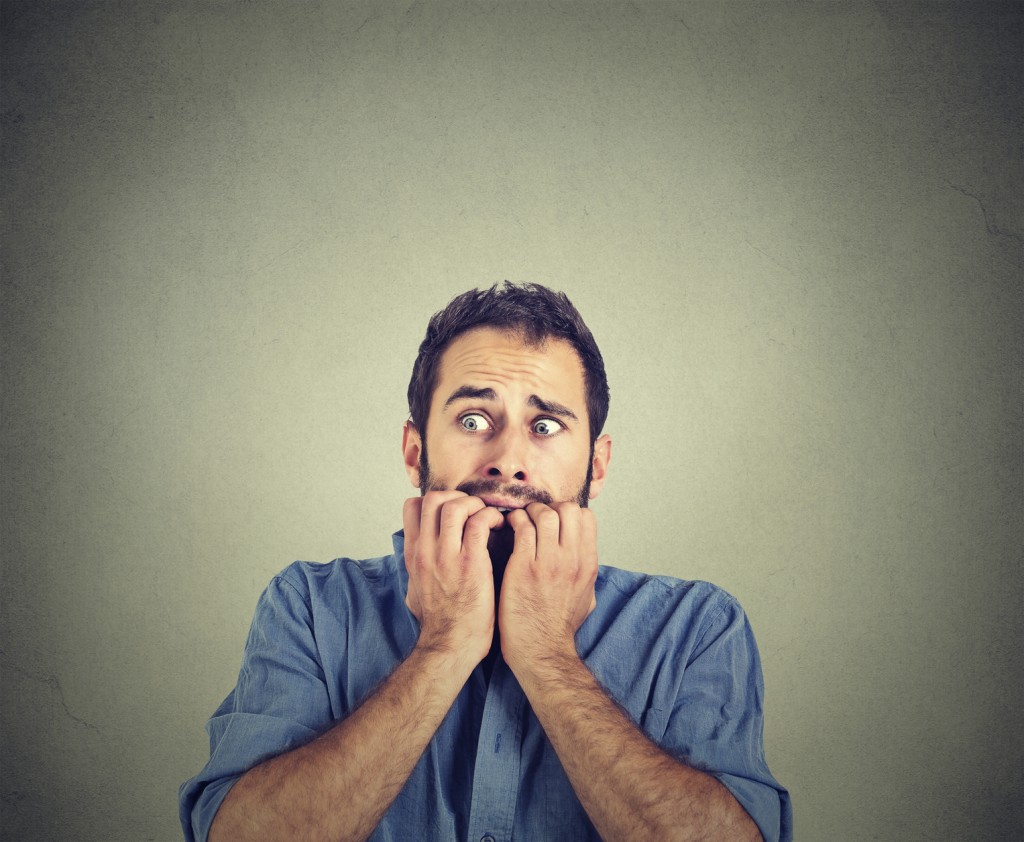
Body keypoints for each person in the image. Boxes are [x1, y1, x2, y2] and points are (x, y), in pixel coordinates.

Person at [179, 282, 792, 842]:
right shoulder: (310, 607)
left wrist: (548, 655)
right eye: (474, 419)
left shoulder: (697, 627)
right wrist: (443, 645)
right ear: (415, 447)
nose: (508, 460)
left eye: (546, 425)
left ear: (596, 466)